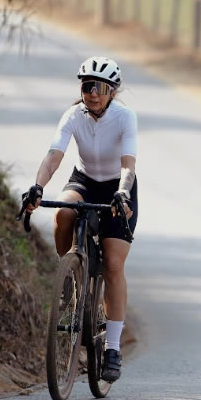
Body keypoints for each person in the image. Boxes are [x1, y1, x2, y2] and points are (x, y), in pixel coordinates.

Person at [22, 56, 137, 382]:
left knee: (114, 264)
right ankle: (69, 276)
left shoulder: (125, 117)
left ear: (112, 91)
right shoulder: (73, 115)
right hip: (84, 182)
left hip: (118, 189)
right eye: (87, 86)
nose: (93, 93)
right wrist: (38, 186)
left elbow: (128, 165)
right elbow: (54, 155)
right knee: (64, 213)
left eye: (100, 87)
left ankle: (112, 349)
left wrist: (124, 192)